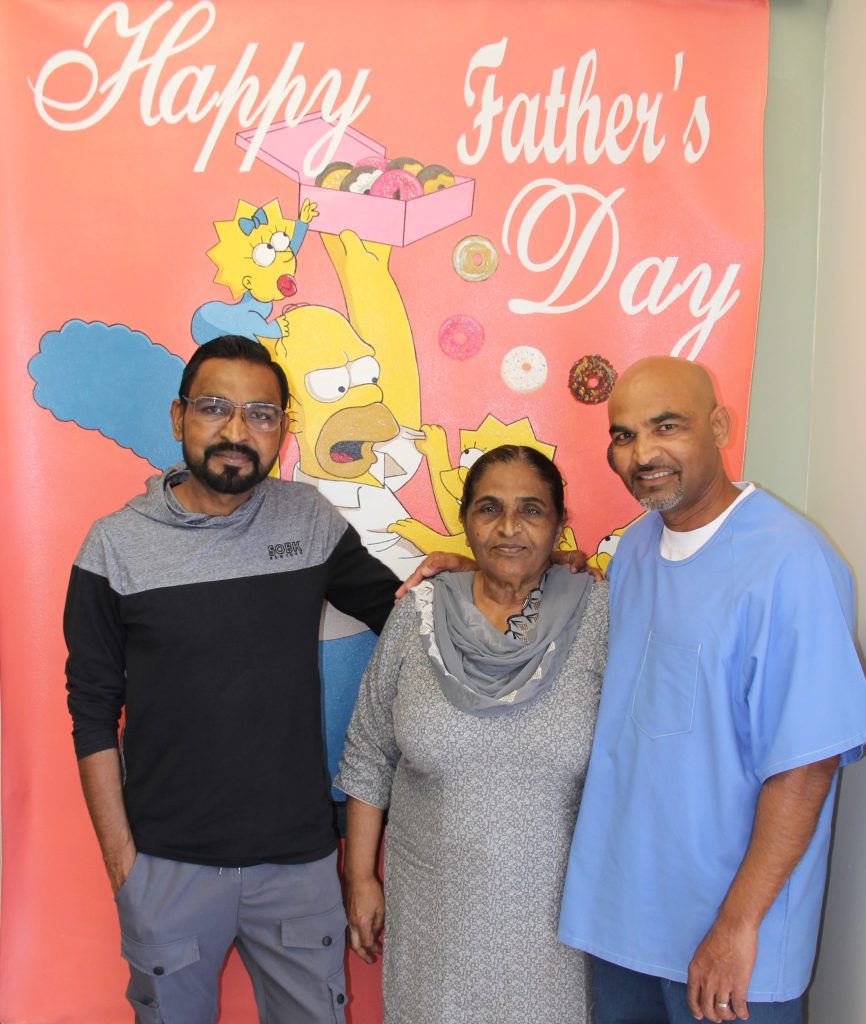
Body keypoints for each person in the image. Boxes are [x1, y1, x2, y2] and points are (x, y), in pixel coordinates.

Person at [64, 335, 402, 1024]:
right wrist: (122, 862)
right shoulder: (113, 546)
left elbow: (399, 617)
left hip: (300, 866)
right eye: (215, 408)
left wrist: (473, 576)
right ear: (177, 417)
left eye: (261, 414)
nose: (237, 431)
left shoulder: (306, 520)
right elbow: (93, 710)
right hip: (166, 865)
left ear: (282, 428)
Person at [556, 356, 866, 1024]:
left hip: (729, 946)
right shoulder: (635, 551)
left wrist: (736, 925)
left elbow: (806, 768)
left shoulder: (792, 562)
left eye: (667, 426)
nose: (643, 453)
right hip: (623, 924)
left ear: (719, 425)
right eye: (624, 434)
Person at [334, 445, 608, 1024]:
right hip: (433, 927)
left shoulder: (604, 615)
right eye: (490, 509)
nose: (509, 528)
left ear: (560, 524)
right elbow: (368, 753)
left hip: (562, 932)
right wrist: (359, 877)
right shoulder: (417, 614)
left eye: (532, 510)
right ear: (465, 523)